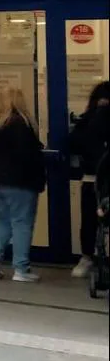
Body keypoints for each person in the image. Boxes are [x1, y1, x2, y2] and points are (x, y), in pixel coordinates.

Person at [0, 87, 46, 283]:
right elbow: (28, 156)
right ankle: (21, 269)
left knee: (2, 219)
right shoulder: (22, 124)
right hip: (19, 181)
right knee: (21, 222)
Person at [69, 82, 110, 278]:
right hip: (96, 179)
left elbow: (73, 143)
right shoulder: (89, 121)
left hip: (92, 179)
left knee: (89, 221)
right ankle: (87, 257)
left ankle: (86, 257)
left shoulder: (87, 120)